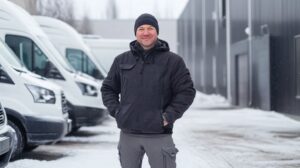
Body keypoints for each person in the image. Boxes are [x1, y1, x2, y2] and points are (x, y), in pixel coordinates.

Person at [101, 13, 196, 168]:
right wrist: (118, 111)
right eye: (141, 28)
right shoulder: (121, 60)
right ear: (136, 32)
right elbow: (108, 88)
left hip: (159, 134)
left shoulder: (173, 61)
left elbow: (186, 91)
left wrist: (168, 116)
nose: (146, 32)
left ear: (156, 31)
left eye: (150, 28)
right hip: (128, 135)